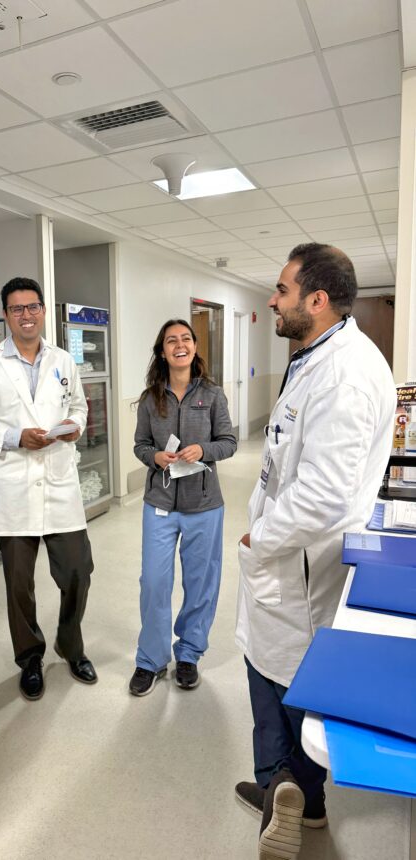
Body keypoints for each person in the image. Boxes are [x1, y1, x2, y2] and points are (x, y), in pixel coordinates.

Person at [234, 244, 396, 860]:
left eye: (282, 290)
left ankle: (288, 790)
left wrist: (262, 537)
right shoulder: (318, 356)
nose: (273, 301)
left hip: (299, 561)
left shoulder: (345, 375)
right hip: (293, 557)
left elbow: (325, 494)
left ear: (317, 300)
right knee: (274, 665)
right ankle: (299, 795)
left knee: (283, 676)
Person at [0, 276, 96, 700]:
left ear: (43, 310)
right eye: (17, 308)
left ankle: (70, 645)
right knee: (19, 585)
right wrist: (15, 437)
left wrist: (74, 426)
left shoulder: (62, 360)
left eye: (33, 306)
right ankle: (30, 657)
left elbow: (79, 406)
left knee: (77, 572)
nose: (26, 315)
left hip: (59, 482)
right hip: (13, 488)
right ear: (6, 315)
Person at [130, 319, 236, 696]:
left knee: (201, 582)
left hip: (204, 505)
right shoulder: (150, 398)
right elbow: (140, 445)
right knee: (154, 582)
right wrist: (155, 456)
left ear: (194, 347)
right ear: (162, 352)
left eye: (186, 339)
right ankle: (151, 659)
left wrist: (203, 450)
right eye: (171, 340)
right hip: (160, 503)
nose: (180, 345)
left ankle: (189, 653)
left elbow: (229, 442)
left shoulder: (213, 394)